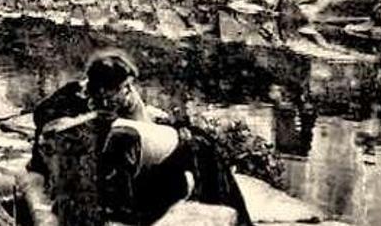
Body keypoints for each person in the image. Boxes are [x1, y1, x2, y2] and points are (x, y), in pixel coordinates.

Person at [28, 49, 252, 226]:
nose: (129, 93)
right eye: (125, 88)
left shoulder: (117, 99)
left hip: (119, 173)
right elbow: (50, 130)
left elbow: (145, 130)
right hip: (86, 181)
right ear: (105, 90)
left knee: (198, 149)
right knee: (197, 149)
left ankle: (230, 213)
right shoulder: (68, 101)